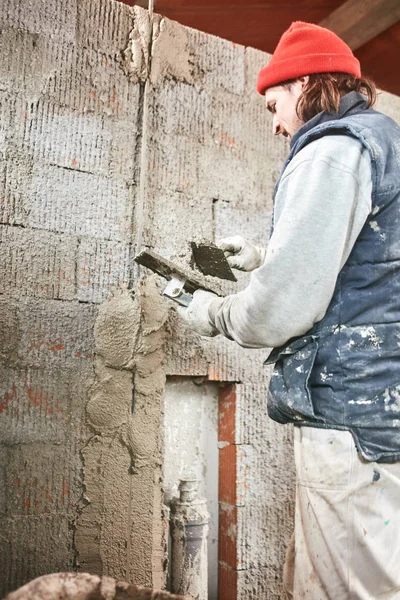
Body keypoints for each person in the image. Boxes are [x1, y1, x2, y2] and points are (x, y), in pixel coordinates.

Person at [176, 21, 400, 600]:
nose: (275, 123)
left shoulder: (333, 150)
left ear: (304, 83)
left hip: (349, 418)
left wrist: (213, 313)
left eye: (274, 102)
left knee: (348, 591)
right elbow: (370, 260)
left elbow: (282, 310)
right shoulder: (382, 140)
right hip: (381, 409)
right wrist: (260, 254)